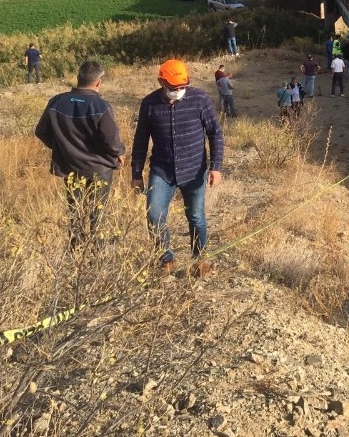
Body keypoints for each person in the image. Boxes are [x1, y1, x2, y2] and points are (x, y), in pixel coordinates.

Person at [131, 59, 223, 277]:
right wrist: (136, 174)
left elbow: (215, 133)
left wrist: (216, 166)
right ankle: (166, 261)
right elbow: (141, 139)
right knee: (154, 215)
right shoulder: (149, 104)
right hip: (162, 171)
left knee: (196, 217)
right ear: (161, 82)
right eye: (174, 88)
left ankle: (199, 259)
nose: (179, 91)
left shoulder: (200, 99)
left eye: (182, 87)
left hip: (194, 170)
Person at [34, 60, 126, 250]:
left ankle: (75, 249)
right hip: (99, 169)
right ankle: (96, 253)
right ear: (99, 82)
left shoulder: (56, 102)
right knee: (97, 213)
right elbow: (111, 142)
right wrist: (120, 153)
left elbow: (41, 131)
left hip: (69, 167)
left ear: (78, 78)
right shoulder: (100, 106)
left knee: (74, 211)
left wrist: (61, 147)